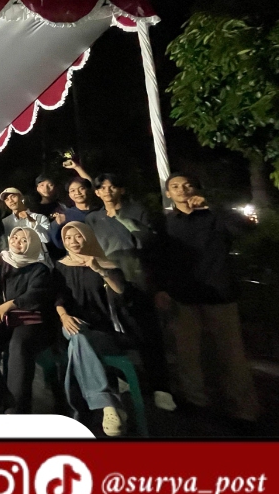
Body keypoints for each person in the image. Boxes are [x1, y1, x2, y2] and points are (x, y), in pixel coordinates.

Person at [155, 174, 259, 423]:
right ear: (168, 194)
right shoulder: (167, 223)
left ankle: (243, 410)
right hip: (183, 297)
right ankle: (196, 402)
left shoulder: (214, 216)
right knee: (188, 356)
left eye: (187, 185)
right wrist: (161, 289)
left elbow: (245, 228)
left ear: (196, 189)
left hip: (219, 295)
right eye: (175, 187)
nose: (182, 190)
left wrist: (213, 206)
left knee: (231, 356)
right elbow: (161, 259)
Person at [53, 222, 129, 436]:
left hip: (102, 329)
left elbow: (121, 292)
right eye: (68, 238)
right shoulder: (60, 267)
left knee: (78, 343)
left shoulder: (104, 264)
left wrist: (100, 270)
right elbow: (58, 298)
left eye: (78, 236)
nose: (73, 242)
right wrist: (64, 316)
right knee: (76, 334)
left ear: (87, 237)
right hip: (70, 323)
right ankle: (108, 404)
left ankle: (81, 414)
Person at [0, 227, 56, 414]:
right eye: (15, 237)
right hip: (4, 316)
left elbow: (36, 295)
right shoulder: (3, 262)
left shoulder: (39, 268)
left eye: (23, 240)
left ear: (32, 245)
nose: (17, 242)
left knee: (18, 345)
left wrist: (11, 304)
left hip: (28, 318)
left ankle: (15, 406)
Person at [85, 173, 156, 289]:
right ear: (97, 193)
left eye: (112, 187)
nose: (107, 191)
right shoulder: (93, 218)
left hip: (139, 266)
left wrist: (122, 218)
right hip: (111, 270)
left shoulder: (137, 211)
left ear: (122, 190)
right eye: (102, 188)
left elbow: (149, 238)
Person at [48, 176, 102, 254]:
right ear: (69, 194)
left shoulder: (101, 211)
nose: (77, 193)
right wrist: (56, 224)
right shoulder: (66, 216)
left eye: (81, 188)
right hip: (78, 256)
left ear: (89, 190)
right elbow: (59, 244)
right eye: (72, 190)